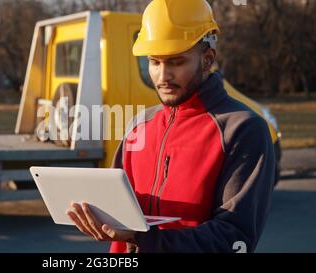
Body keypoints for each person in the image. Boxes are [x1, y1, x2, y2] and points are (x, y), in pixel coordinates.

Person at [67, 0, 275, 253]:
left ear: (208, 59)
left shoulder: (243, 129)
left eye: (176, 62)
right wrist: (100, 219)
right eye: (154, 62)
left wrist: (143, 238)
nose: (163, 76)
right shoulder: (138, 127)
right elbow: (119, 216)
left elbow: (234, 240)